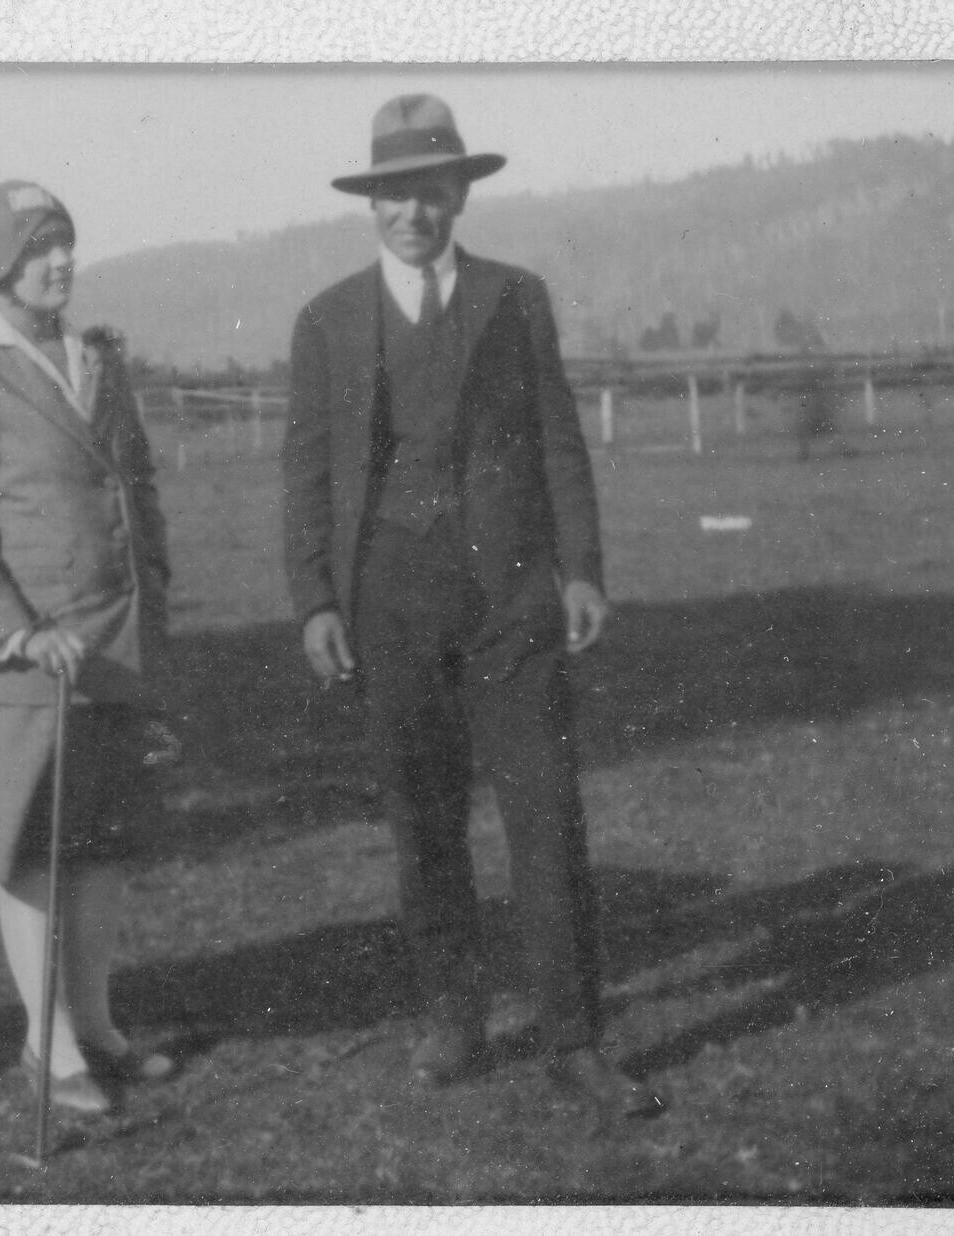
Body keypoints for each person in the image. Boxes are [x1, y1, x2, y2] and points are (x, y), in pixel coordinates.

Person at [279, 94, 663, 1117]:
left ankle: (574, 1039)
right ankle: (454, 1020)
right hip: (387, 602)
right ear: (373, 204)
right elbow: (308, 474)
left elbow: (557, 441)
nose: (414, 211)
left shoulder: (514, 298)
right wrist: (317, 598)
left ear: (459, 195)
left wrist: (582, 568)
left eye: (432, 191)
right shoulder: (327, 320)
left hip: (513, 600)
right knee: (424, 820)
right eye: (396, 194)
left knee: (545, 815)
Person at [0, 181, 178, 1118]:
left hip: (114, 645)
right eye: (39, 250)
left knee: (102, 846)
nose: (61, 263)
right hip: (24, 664)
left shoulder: (96, 356)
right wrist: (18, 629)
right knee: (33, 847)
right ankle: (46, 1039)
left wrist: (158, 591)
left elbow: (135, 489)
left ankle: (96, 1022)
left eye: (66, 243)